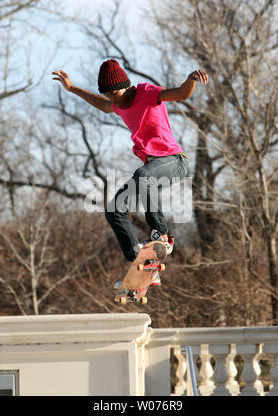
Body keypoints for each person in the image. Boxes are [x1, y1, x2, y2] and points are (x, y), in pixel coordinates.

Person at [53, 60, 208, 287]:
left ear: (126, 86)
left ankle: (161, 235)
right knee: (115, 211)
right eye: (109, 95)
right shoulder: (116, 104)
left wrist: (191, 80)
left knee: (143, 175)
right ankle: (144, 266)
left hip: (173, 161)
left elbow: (179, 94)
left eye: (115, 93)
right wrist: (73, 88)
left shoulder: (146, 93)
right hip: (150, 169)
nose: (113, 99)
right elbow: (103, 105)